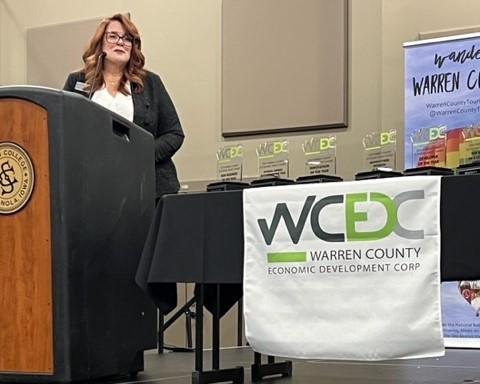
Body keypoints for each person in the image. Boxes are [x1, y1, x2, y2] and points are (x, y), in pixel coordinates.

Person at [63, 13, 184, 201]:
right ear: (100, 42)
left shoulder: (150, 82)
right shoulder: (78, 82)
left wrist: (141, 155)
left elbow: (174, 133)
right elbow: (64, 133)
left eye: (128, 38)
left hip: (147, 188)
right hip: (94, 188)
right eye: (113, 36)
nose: (120, 42)